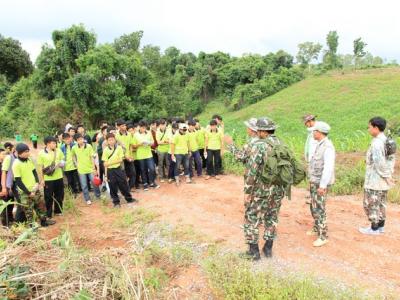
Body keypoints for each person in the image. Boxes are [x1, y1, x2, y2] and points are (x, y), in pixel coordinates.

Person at [243, 117, 286, 260]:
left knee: (252, 217)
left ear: (262, 131)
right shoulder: (281, 144)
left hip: (261, 190)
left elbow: (252, 171)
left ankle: (253, 252)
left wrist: (248, 192)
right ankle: (268, 249)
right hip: (278, 190)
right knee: (272, 217)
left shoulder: (259, 146)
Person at [359, 117, 396, 235]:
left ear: (376, 127)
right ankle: (380, 227)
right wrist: (389, 175)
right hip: (383, 181)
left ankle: (374, 229)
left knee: (371, 204)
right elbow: (391, 159)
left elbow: (379, 163)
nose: (368, 129)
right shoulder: (387, 140)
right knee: (381, 204)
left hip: (375, 180)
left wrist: (386, 177)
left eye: (369, 127)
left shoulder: (376, 143)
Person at [12, 143, 55, 227]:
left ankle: (44, 221)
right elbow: (18, 181)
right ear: (19, 153)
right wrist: (28, 193)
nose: (28, 153)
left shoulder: (29, 160)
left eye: (28, 151)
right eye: (25, 152)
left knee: (41, 206)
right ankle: (31, 226)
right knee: (28, 210)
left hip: (35, 188)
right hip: (25, 192)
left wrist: (37, 183)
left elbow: (34, 172)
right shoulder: (16, 164)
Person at [307, 121, 335, 247]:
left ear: (319, 132)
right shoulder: (319, 144)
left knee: (320, 208)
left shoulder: (327, 147)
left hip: (320, 183)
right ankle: (316, 227)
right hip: (314, 181)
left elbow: (328, 168)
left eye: (314, 131)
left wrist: (323, 186)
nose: (313, 133)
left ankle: (323, 236)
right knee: (313, 206)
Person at [102, 133, 137, 208]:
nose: (111, 141)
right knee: (112, 186)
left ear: (115, 140)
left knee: (123, 184)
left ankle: (129, 198)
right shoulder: (105, 150)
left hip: (118, 169)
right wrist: (105, 175)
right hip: (110, 171)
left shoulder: (119, 148)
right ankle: (116, 202)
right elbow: (105, 164)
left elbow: (120, 160)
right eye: (109, 140)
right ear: (107, 141)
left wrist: (109, 163)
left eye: (112, 139)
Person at [38, 136, 65, 218]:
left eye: (55, 143)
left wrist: (61, 164)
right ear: (47, 144)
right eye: (53, 143)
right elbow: (40, 168)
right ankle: (49, 213)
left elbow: (63, 161)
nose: (55, 144)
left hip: (59, 177)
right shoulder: (41, 153)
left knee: (59, 195)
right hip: (48, 179)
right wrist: (42, 180)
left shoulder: (58, 151)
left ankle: (58, 211)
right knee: (48, 197)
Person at [71, 133, 102, 205]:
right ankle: (87, 199)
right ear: (76, 141)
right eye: (78, 140)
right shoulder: (74, 148)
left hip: (90, 168)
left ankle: (98, 196)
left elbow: (92, 157)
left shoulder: (88, 146)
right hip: (81, 170)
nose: (81, 141)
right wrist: (76, 163)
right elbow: (73, 156)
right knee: (84, 185)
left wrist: (94, 168)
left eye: (81, 139)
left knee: (94, 183)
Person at [134, 121, 159, 191]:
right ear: (139, 127)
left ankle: (152, 182)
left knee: (152, 168)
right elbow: (133, 146)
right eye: (142, 128)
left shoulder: (149, 133)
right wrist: (140, 144)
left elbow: (153, 142)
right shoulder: (136, 135)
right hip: (140, 155)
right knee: (143, 170)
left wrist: (149, 143)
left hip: (148, 154)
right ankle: (145, 183)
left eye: (145, 128)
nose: (144, 129)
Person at [115, 119, 136, 189]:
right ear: (118, 127)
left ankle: (129, 187)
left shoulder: (129, 134)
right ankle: (124, 188)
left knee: (133, 173)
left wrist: (131, 155)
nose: (124, 127)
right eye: (122, 126)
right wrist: (124, 156)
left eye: (125, 125)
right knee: (123, 174)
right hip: (121, 158)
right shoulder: (116, 136)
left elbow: (130, 145)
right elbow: (117, 148)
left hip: (129, 157)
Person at [0, 143, 17, 225]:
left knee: (11, 202)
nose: (4, 155)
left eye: (5, 154)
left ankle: (10, 218)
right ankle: (5, 223)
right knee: (4, 206)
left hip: (9, 186)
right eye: (2, 154)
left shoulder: (7, 163)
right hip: (2, 187)